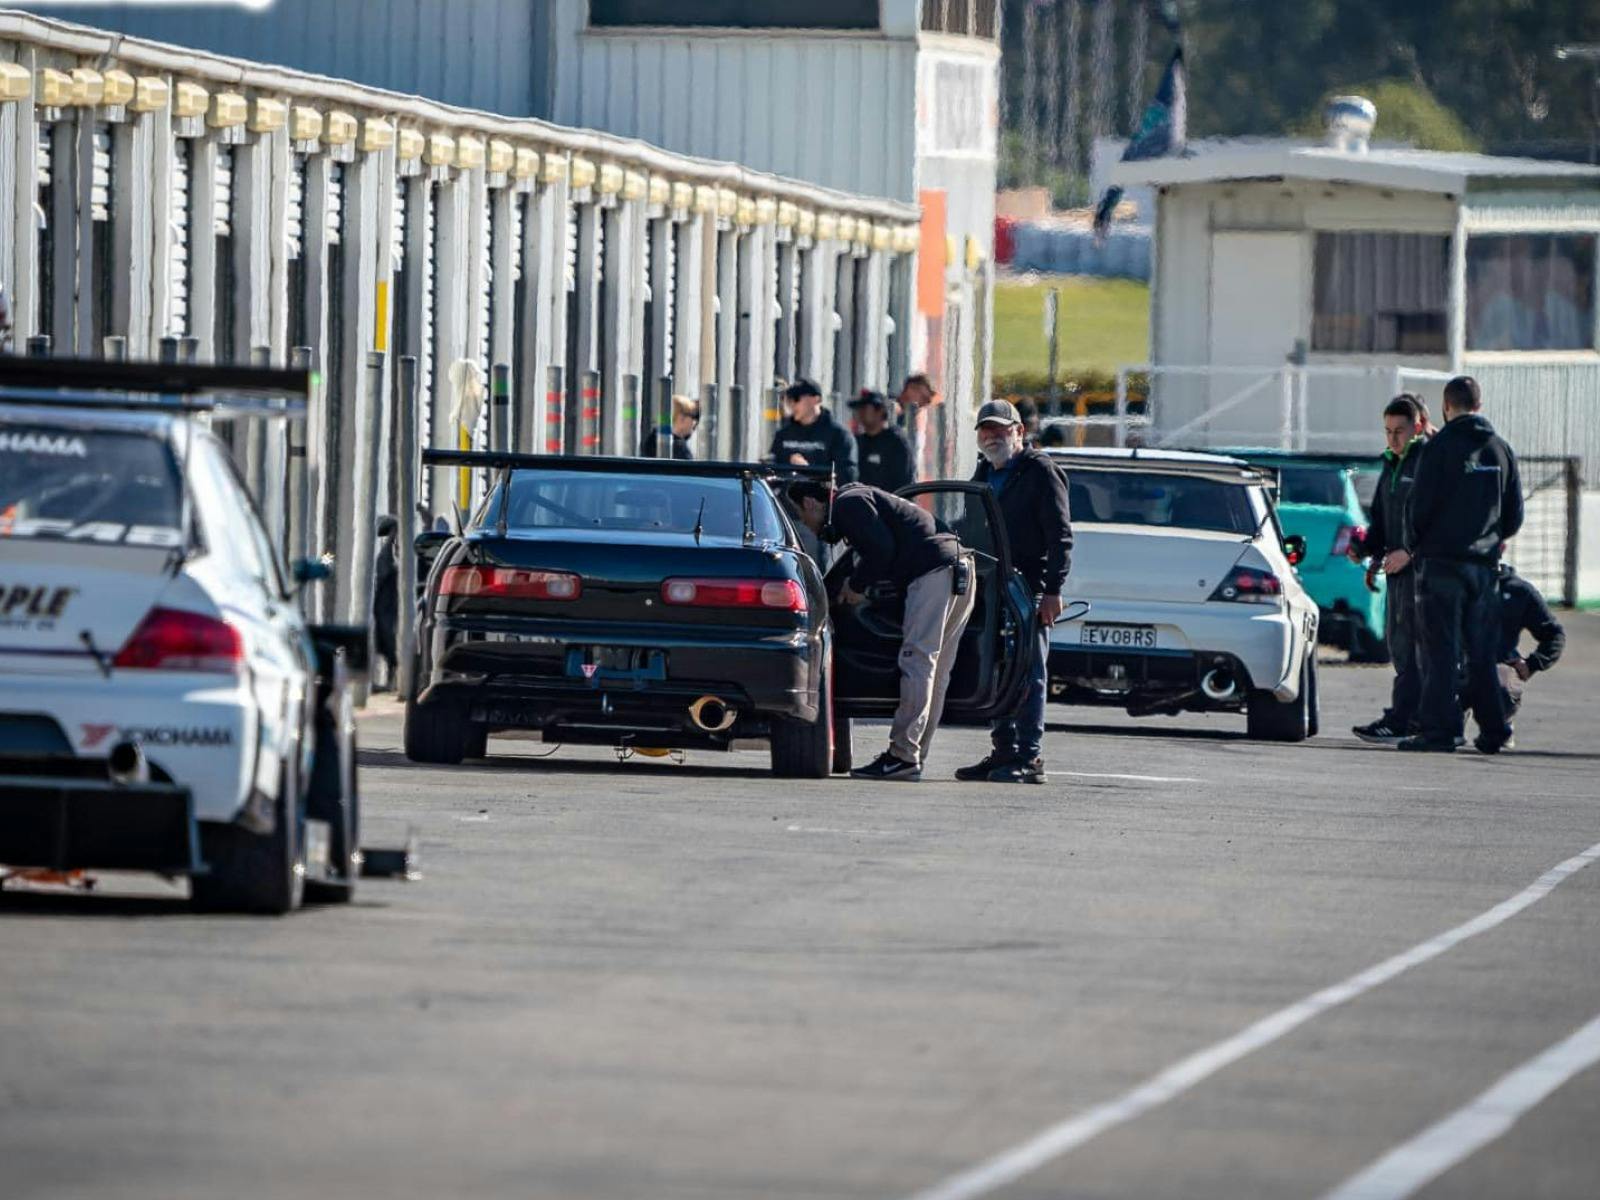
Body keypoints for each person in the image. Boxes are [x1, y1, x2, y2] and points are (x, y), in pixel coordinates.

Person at [788, 480, 975, 782]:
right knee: (936, 671)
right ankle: (912, 756)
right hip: (959, 567)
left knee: (918, 662)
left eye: (803, 517)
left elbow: (880, 550)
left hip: (933, 574)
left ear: (811, 503)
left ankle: (902, 756)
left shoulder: (848, 503)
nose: (808, 528)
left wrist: (856, 587)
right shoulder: (864, 496)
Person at [1400, 375, 1523, 755]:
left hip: (1442, 566)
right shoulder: (1500, 450)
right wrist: (1489, 540)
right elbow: (1514, 515)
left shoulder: (1439, 449)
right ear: (1479, 407)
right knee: (1482, 654)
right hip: (1484, 569)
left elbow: (1418, 508)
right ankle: (1494, 729)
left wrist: (1415, 545)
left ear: (1446, 407)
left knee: (1441, 652)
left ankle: (1442, 730)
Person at [956, 399, 1073, 784]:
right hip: (991, 586)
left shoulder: (1040, 471)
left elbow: (1060, 536)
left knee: (1029, 672)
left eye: (1000, 430)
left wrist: (1053, 591)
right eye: (985, 431)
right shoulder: (984, 472)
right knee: (996, 669)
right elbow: (970, 523)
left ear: (1019, 431)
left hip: (1028, 589)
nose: (992, 437)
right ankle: (1003, 750)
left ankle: (1029, 756)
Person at [1350, 394, 1428, 744]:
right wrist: (1368, 551)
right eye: (1388, 431)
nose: (1393, 439)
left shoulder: (1427, 463)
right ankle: (1409, 716)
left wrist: (1411, 552)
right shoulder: (1390, 464)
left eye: (1400, 431)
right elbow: (1381, 519)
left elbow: (1439, 520)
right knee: (1399, 647)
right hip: (1397, 575)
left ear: (1418, 428)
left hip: (1424, 574)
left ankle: (1406, 718)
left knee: (1418, 649)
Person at [1487, 561, 1565, 746]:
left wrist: (1532, 664)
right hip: (1455, 665)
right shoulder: (1449, 583)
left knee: (1501, 684)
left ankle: (1500, 723)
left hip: (1498, 663)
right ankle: (1445, 725)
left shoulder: (1519, 591)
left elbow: (1553, 634)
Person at [769, 379, 858, 482]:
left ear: (816, 400)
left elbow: (846, 476)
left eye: (796, 399)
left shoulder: (839, 436)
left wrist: (808, 470)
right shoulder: (783, 434)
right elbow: (772, 470)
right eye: (789, 400)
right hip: (783, 496)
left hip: (823, 496)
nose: (792, 404)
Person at [850, 389, 915, 493]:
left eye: (865, 408)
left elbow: (904, 483)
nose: (860, 412)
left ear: (880, 410)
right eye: (858, 409)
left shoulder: (896, 443)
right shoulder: (857, 442)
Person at [641, 393, 700, 460]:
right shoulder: (680, 450)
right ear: (681, 418)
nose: (695, 422)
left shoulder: (651, 441)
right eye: (694, 417)